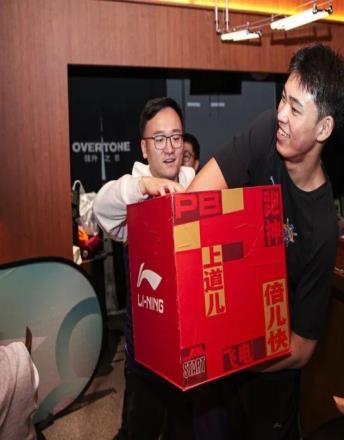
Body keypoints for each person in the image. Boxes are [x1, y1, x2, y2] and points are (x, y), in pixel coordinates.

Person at [186, 43, 344, 439]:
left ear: (324, 128)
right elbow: (196, 199)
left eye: (295, 109)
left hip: (270, 376)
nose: (280, 114)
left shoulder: (320, 229)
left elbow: (303, 348)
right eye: (282, 98)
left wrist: (236, 359)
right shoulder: (266, 132)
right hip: (228, 338)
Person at [93, 97, 195, 439]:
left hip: (189, 349)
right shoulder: (131, 195)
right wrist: (144, 186)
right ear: (144, 147)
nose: (170, 148)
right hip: (145, 355)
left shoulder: (194, 184)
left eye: (176, 137)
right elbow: (102, 206)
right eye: (159, 139)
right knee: (140, 428)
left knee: (185, 429)